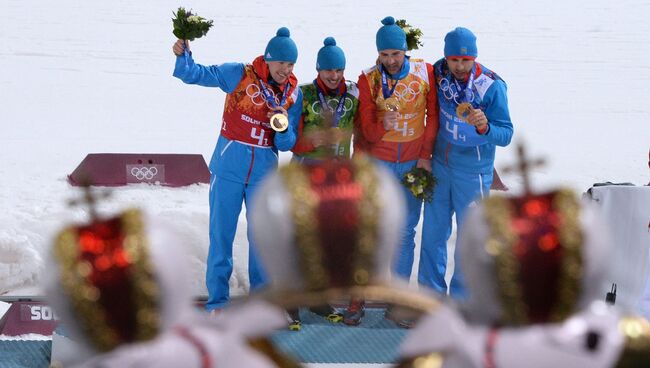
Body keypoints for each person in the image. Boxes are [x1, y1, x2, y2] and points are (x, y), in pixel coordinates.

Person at [172, 27, 302, 313]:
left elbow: (289, 141)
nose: (286, 69)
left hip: (262, 177)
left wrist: (280, 124)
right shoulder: (239, 74)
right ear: (268, 60)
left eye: (291, 64)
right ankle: (218, 302)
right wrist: (184, 55)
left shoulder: (294, 92)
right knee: (221, 237)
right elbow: (193, 74)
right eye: (281, 62)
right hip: (228, 170)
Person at [418, 27, 513, 299]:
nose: (459, 66)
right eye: (454, 59)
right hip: (440, 166)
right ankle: (429, 297)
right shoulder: (437, 73)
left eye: (466, 60)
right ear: (445, 58)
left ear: (475, 58)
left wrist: (486, 129)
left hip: (473, 172)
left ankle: (464, 301)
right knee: (433, 234)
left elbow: (506, 133)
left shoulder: (492, 86)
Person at [355, 16, 438, 326]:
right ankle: (358, 298)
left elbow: (434, 118)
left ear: (405, 51)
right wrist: (380, 127)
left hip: (413, 163)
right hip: (379, 163)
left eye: (396, 54)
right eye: (384, 54)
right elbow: (365, 128)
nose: (390, 61)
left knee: (404, 233)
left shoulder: (424, 72)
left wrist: (425, 156)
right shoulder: (368, 79)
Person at [287, 36, 359, 329]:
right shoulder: (302, 93)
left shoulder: (354, 94)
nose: (333, 76)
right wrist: (310, 142)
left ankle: (318, 299)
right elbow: (289, 137)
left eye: (338, 70)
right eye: (328, 70)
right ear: (318, 69)